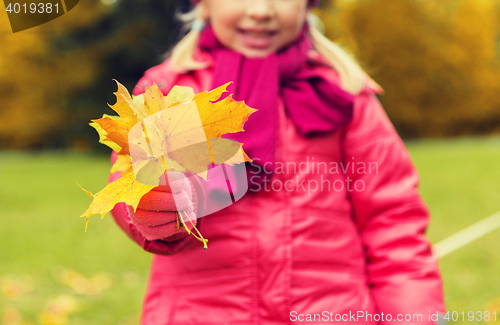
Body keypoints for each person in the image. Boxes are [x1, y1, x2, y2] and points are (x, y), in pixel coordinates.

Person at [108, 0, 446, 324]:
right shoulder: (169, 94)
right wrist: (156, 208)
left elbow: (393, 224)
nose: (261, 11)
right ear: (204, 3)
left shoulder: (341, 94)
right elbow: (129, 191)